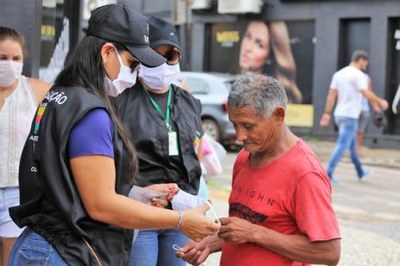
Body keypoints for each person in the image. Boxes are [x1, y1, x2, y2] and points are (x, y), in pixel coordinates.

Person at [7, 4, 219, 266]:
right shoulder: (91, 112)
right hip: (63, 251)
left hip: (43, 244)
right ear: (107, 52)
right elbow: (101, 204)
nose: (135, 74)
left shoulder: (60, 95)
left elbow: (72, 185)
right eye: (132, 63)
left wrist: (139, 194)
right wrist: (181, 220)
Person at [176, 74, 341, 266]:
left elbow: (329, 252)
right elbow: (244, 227)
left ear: (278, 115)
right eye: (234, 124)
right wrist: (209, 243)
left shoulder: (306, 173)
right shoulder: (245, 158)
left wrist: (254, 233)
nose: (239, 136)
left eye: (248, 126)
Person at [115, 16, 210, 266]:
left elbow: (195, 155)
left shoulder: (189, 103)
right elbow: (112, 161)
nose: (164, 63)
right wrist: (143, 193)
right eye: (156, 55)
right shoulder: (120, 100)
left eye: (171, 56)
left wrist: (184, 197)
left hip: (180, 213)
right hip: (140, 214)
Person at [0, 26, 50, 266]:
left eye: (16, 58)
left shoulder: (37, 90)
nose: (9, 64)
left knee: (12, 258)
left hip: (18, 190)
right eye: (2, 58)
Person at [320, 50, 389, 185]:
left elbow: (331, 95)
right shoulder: (358, 75)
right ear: (361, 60)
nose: (366, 66)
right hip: (350, 116)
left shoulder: (339, 74)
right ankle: (327, 174)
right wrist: (380, 102)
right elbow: (366, 93)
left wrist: (327, 113)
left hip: (339, 114)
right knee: (342, 144)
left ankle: (360, 172)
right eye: (365, 63)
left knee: (352, 146)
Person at [238, 20, 302, 103]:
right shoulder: (229, 82)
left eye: (259, 45)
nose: (248, 48)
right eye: (248, 36)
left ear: (270, 57)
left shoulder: (271, 96)